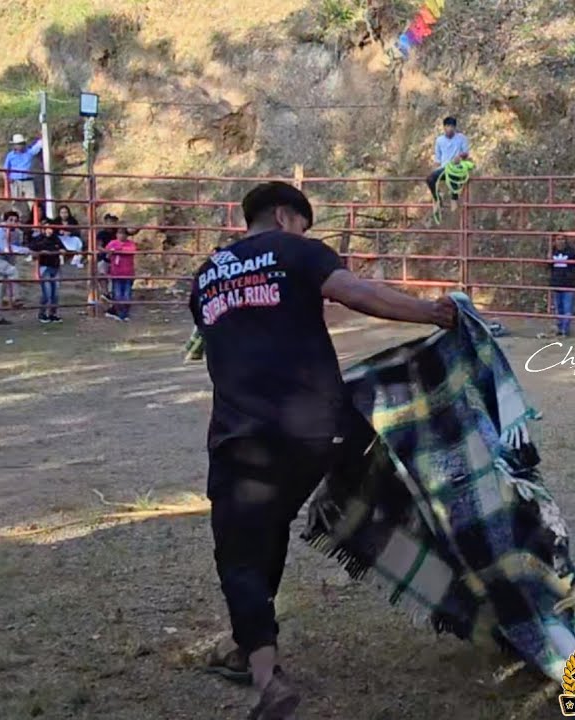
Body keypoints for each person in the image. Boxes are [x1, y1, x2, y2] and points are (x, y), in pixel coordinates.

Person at [191, 182, 456, 719]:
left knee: (239, 548)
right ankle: (248, 643)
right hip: (320, 430)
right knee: (268, 525)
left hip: (244, 433)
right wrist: (431, 312)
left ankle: (265, 676)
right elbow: (356, 293)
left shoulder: (204, 278)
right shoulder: (297, 250)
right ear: (287, 216)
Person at [0, 210, 29, 326]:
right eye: (10, 220)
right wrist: (26, 251)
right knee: (13, 271)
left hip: (6, 261)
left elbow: (17, 247)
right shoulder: (0, 232)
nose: (13, 222)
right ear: (5, 221)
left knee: (0, 289)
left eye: (15, 220)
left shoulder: (17, 233)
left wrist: (24, 250)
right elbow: (6, 248)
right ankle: (16, 298)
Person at [427, 116, 471, 210]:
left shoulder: (461, 138)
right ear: (444, 127)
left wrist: (460, 156)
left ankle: (454, 199)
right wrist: (435, 172)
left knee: (453, 172)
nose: (450, 129)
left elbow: (466, 153)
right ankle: (437, 199)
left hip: (457, 167)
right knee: (430, 179)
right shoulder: (439, 140)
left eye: (452, 126)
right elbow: (438, 158)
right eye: (447, 126)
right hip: (444, 168)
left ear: (455, 128)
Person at [29, 219, 65, 324]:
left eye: (51, 228)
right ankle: (42, 313)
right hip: (44, 267)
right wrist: (41, 252)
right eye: (47, 228)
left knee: (56, 293)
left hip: (55, 267)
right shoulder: (38, 239)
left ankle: (53, 313)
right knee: (47, 292)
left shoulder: (56, 239)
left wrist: (61, 251)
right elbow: (32, 251)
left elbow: (63, 249)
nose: (50, 230)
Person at [3, 133, 44, 218]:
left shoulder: (29, 152)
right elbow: (5, 170)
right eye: (18, 144)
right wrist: (7, 183)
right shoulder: (10, 155)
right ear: (14, 145)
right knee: (16, 202)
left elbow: (38, 146)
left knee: (32, 201)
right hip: (15, 181)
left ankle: (34, 219)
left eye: (21, 143)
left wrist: (42, 137)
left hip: (27, 180)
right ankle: (17, 219)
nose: (20, 146)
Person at [105, 228, 138, 321]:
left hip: (128, 273)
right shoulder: (112, 243)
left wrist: (117, 250)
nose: (121, 236)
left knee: (127, 295)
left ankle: (125, 314)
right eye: (119, 233)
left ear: (127, 235)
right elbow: (107, 254)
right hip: (116, 273)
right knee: (118, 294)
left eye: (123, 234)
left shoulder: (130, 244)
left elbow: (131, 251)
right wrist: (112, 252)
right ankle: (120, 314)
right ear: (116, 235)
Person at [549, 239, 575, 337]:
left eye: (562, 239)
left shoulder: (571, 252)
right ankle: (560, 327)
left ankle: (565, 330)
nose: (560, 241)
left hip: (569, 284)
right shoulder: (552, 252)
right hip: (557, 284)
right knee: (559, 308)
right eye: (558, 239)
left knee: (567, 308)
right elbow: (549, 266)